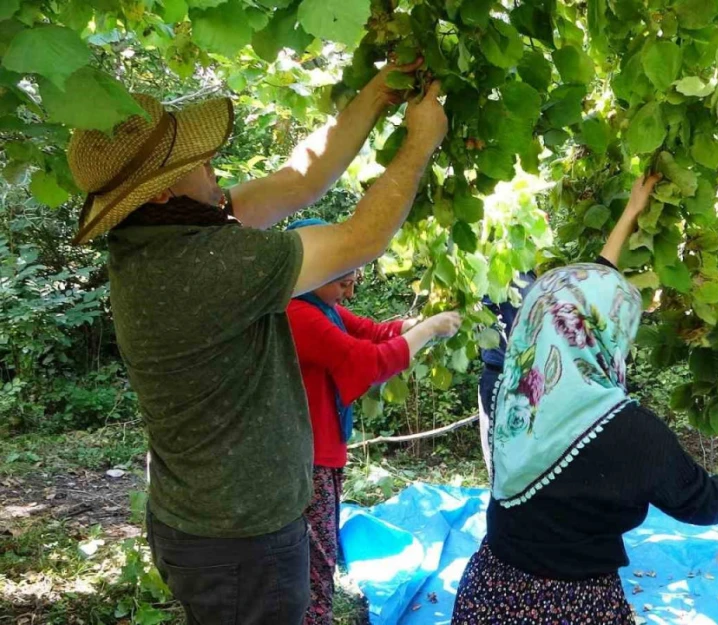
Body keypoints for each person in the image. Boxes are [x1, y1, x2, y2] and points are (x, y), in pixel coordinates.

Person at [65, 60, 447, 624]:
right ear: (165, 191)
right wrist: (421, 142)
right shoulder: (207, 264)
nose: (213, 165)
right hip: (243, 544)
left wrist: (376, 94)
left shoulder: (158, 237)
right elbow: (361, 237)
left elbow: (300, 180)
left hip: (205, 527)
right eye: (197, 161)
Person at [451, 175, 718, 625]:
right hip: (577, 608)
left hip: (490, 594)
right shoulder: (632, 434)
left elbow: (579, 297)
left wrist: (631, 212)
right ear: (610, 334)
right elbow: (701, 503)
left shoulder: (514, 402)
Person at [284, 218, 462, 625]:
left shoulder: (321, 307)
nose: (348, 291)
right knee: (316, 557)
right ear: (312, 269)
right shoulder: (296, 314)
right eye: (341, 281)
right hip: (304, 459)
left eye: (352, 280)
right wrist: (428, 331)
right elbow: (368, 361)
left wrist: (412, 327)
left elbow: (373, 332)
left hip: (321, 453)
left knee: (319, 551)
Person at [478, 271, 535, 476]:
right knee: (501, 459)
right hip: (500, 376)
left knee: (525, 455)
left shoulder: (532, 278)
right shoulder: (497, 274)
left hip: (527, 378)